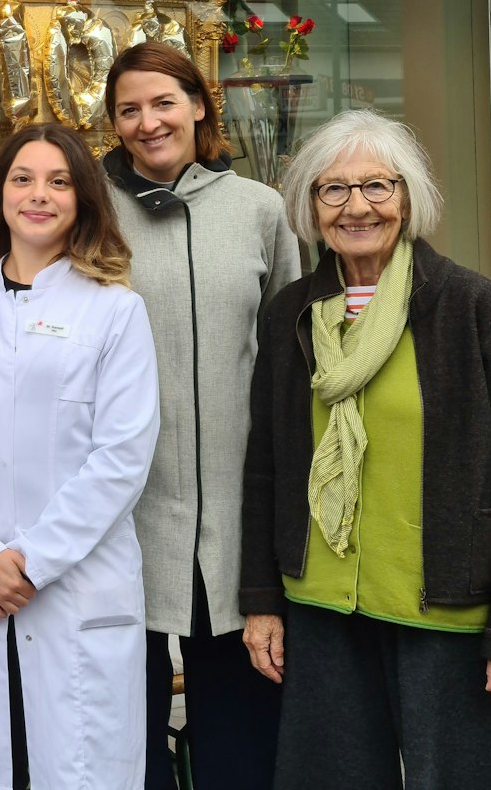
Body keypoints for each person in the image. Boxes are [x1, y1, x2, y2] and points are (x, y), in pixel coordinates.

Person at [239, 109, 491, 789]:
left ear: (408, 198)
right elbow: (266, 464)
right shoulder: (291, 311)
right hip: (322, 610)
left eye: (378, 186)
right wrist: (261, 598)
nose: (357, 206)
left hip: (444, 609)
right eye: (333, 189)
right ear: (310, 205)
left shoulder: (474, 308)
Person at [0, 122, 160, 790]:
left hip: (72, 588)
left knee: (76, 766)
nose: (38, 194)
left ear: (83, 200)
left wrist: (27, 562)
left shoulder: (116, 311)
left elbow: (121, 457)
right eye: (23, 178)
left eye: (59, 181)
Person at [101, 42, 300, 788]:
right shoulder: (88, 205)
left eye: (163, 102)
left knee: (241, 738)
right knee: (126, 735)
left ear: (199, 104)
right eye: (129, 109)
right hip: (123, 510)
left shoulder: (259, 209)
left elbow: (286, 353)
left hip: (235, 516)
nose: (149, 121)